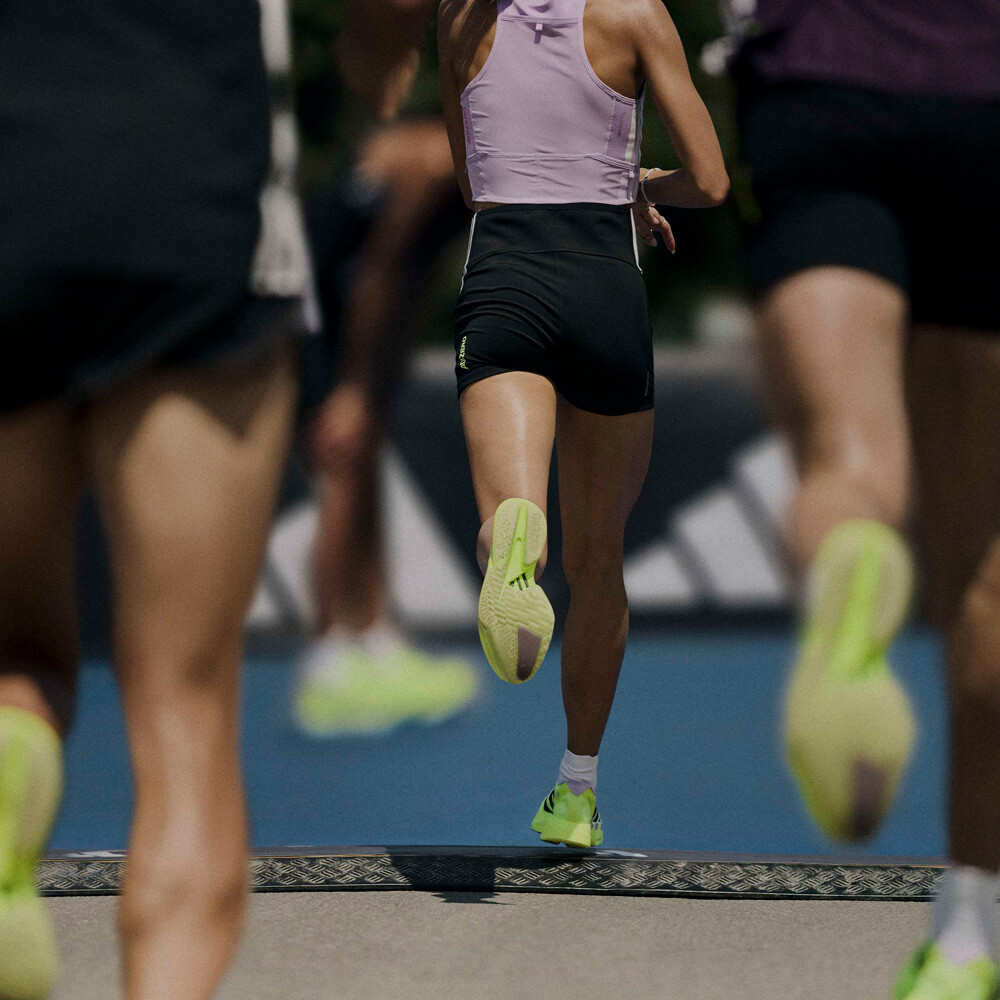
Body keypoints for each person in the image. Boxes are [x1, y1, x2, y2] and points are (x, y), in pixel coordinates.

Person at [0, 0, 432, 997]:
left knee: (16, 652)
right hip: (189, 170)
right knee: (183, 705)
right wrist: (379, 56)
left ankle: (14, 758)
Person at [727, 0, 1000, 994]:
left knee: (851, 465)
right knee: (983, 560)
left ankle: (852, 560)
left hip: (822, 84)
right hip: (984, 98)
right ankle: (970, 931)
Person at [437, 0, 728, 848]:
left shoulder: (458, 21)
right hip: (604, 283)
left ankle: (509, 539)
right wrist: (634, 185)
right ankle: (576, 792)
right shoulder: (636, 12)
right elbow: (710, 181)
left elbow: (473, 183)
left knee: (509, 515)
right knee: (598, 561)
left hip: (503, 277)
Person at [294, 118, 480, 738]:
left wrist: (380, 389)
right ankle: (326, 659)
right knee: (343, 465)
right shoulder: (442, 162)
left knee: (366, 451)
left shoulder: (479, 181)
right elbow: (378, 274)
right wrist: (351, 386)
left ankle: (373, 635)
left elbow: (411, 284)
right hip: (304, 294)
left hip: (344, 301)